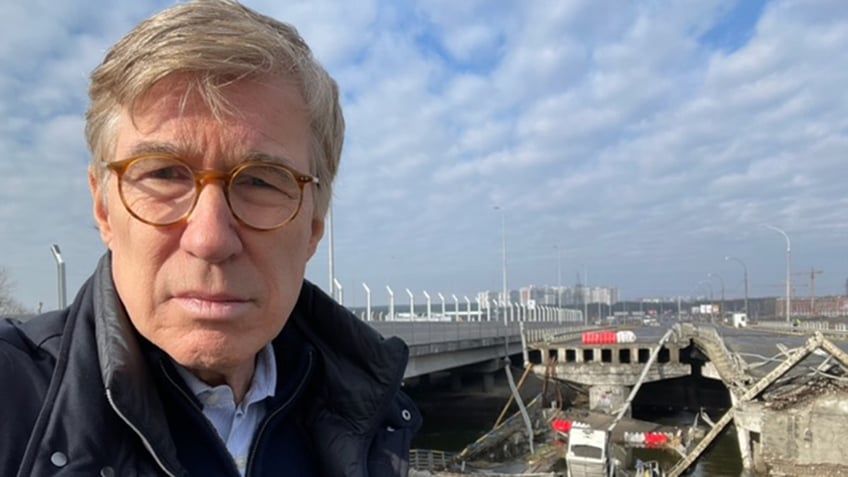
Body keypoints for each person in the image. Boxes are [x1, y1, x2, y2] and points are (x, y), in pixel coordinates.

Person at [0, 1, 420, 476]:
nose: (211, 238)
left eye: (261, 180)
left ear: (314, 228)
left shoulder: (374, 407)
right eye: (163, 173)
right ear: (104, 208)